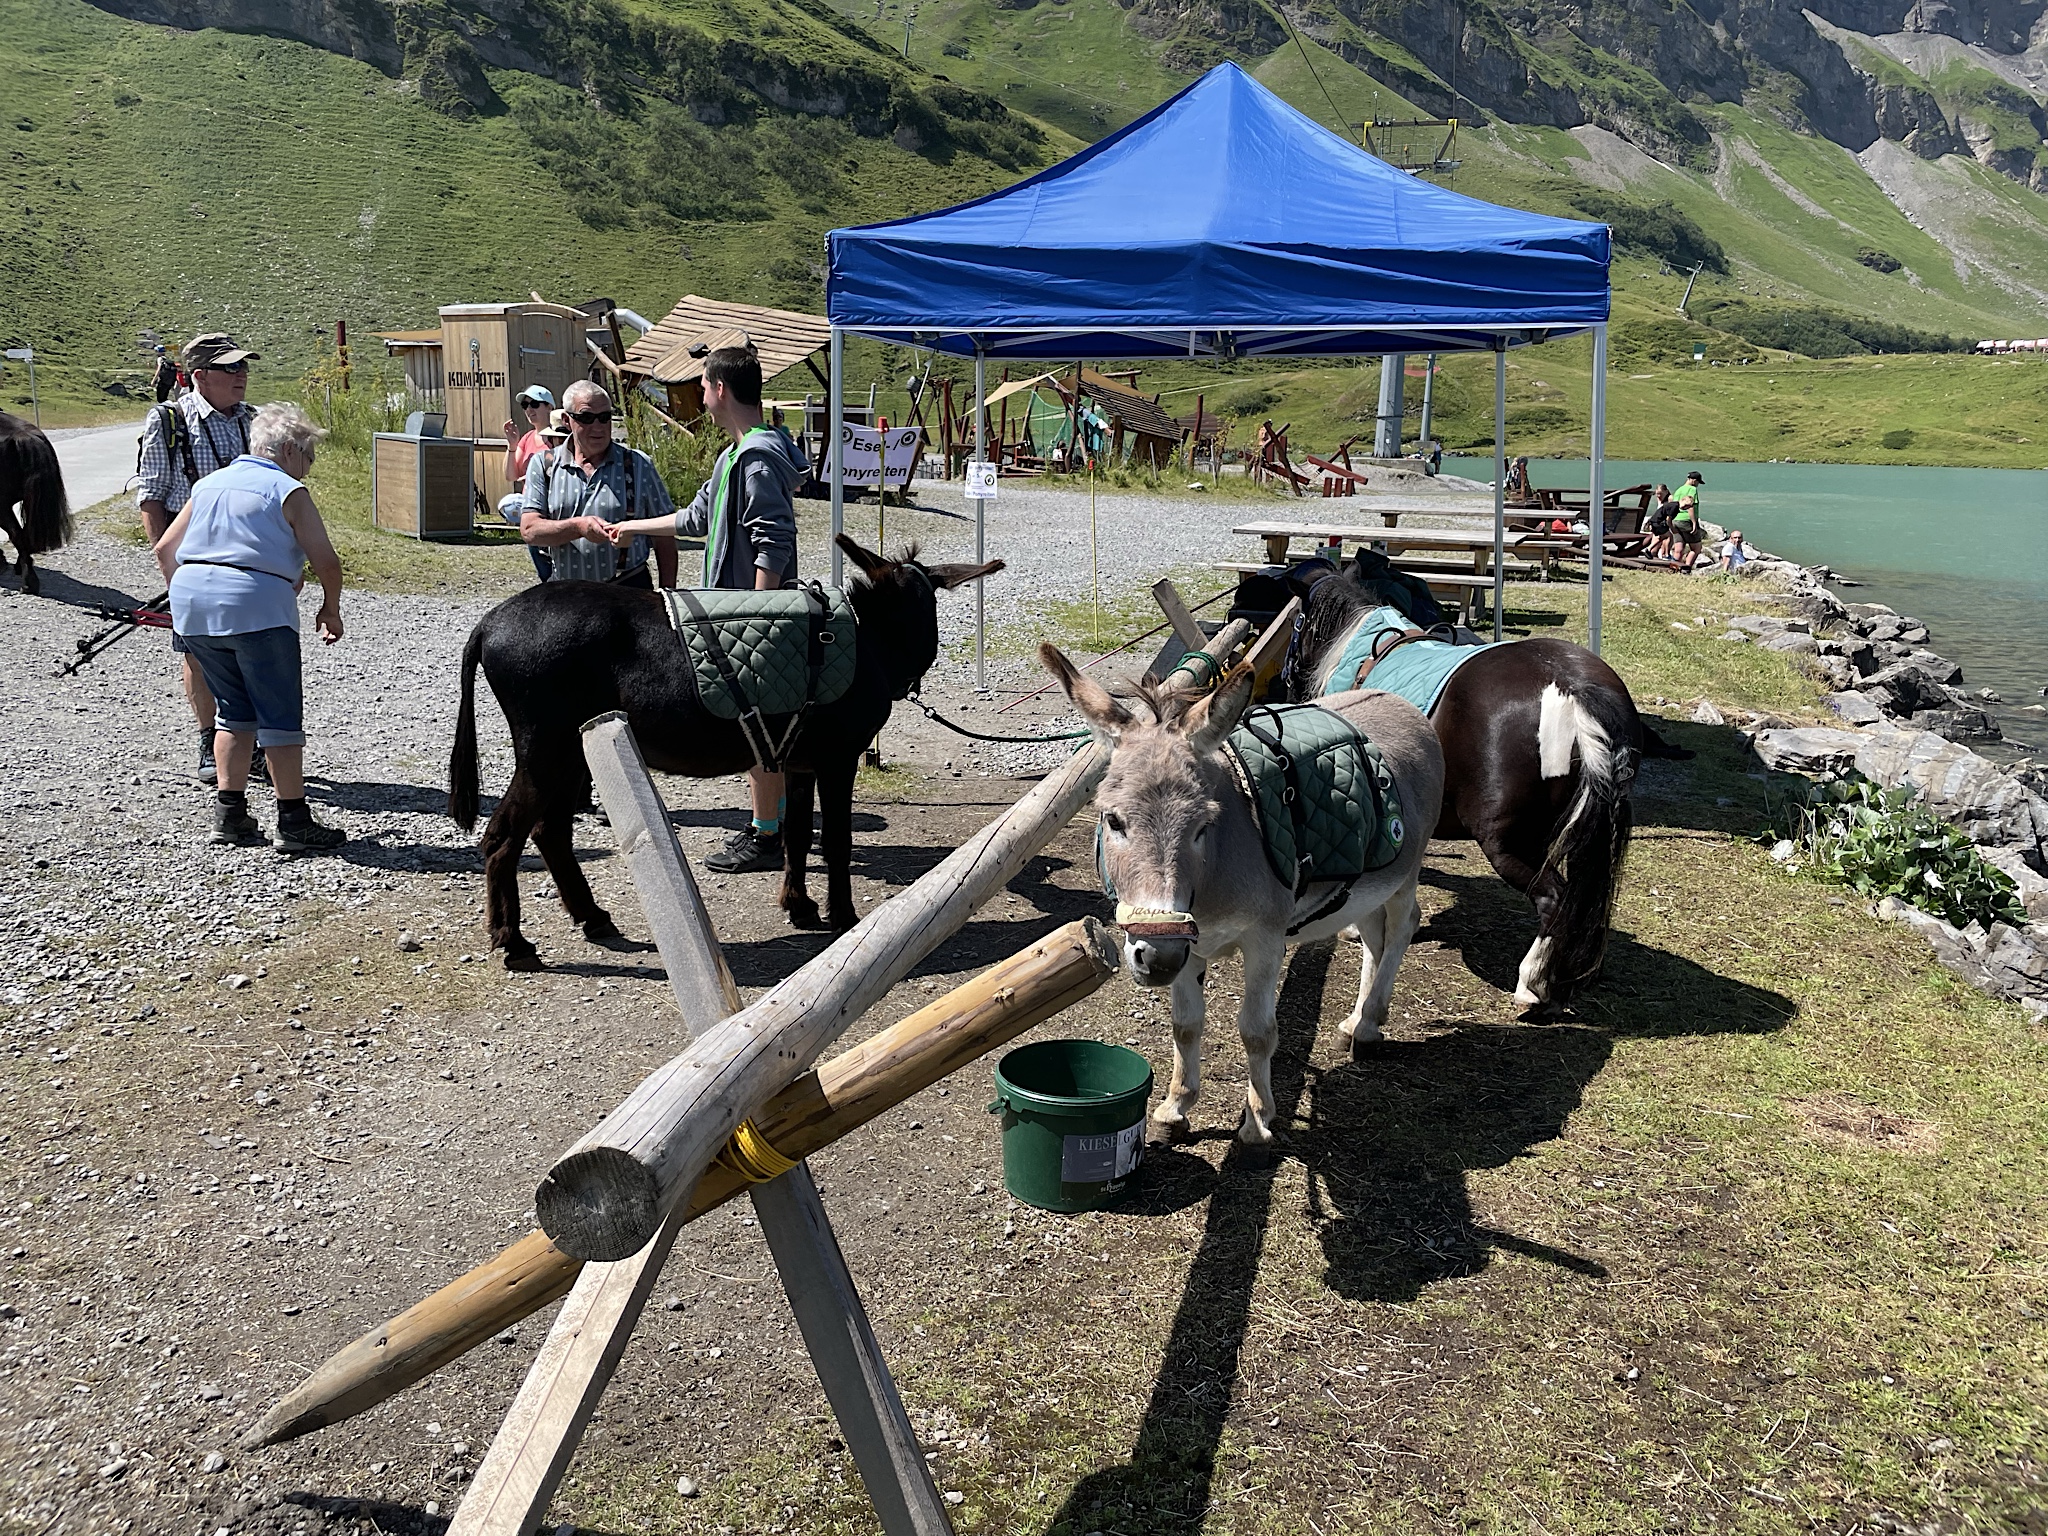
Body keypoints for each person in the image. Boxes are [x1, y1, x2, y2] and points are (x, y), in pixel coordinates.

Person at [604, 345, 807, 874]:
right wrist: (633, 527)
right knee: (755, 725)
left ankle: (768, 835)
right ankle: (776, 826)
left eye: (702, 385)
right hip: (737, 611)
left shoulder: (756, 458)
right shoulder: (735, 455)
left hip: (749, 615)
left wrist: (757, 613)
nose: (699, 394)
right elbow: (696, 518)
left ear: (719, 388)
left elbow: (773, 539)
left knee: (759, 726)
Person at [152, 403, 347, 852]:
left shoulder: (209, 483)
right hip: (256, 608)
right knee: (278, 715)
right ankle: (293, 820)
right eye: (309, 457)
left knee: (232, 712)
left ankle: (230, 815)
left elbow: (165, 550)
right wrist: (330, 608)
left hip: (194, 606)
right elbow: (326, 560)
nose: (309, 468)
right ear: (290, 450)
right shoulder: (287, 489)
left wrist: (192, 595)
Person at [137, 332, 262, 783]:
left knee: (255, 649)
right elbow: (152, 496)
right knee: (198, 654)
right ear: (199, 376)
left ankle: (251, 743)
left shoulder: (255, 420)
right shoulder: (170, 420)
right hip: (194, 559)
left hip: (251, 555)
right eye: (230, 368)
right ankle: (210, 739)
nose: (241, 375)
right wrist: (169, 569)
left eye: (243, 366)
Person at [520, 380, 678, 589]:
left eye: (604, 417)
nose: (598, 427)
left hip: (628, 591)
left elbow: (664, 537)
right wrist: (577, 527)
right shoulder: (544, 465)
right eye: (586, 418)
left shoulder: (638, 464)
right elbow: (529, 530)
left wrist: (667, 594)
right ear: (567, 420)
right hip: (567, 594)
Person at [500, 387, 562, 581]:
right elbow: (511, 475)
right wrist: (512, 446)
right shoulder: (527, 439)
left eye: (534, 404)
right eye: (525, 405)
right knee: (542, 566)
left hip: (553, 507)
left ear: (549, 407)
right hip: (532, 508)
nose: (529, 409)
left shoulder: (558, 438)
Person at [1671, 470, 1706, 569]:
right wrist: (1694, 523)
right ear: (1694, 480)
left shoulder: (1679, 490)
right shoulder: (1692, 489)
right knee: (1696, 548)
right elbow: (1690, 506)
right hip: (1686, 520)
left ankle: (1674, 568)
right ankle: (1686, 569)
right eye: (1698, 482)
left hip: (1675, 520)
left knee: (1678, 548)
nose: (1698, 485)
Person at [1646, 483, 1675, 561]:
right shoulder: (1660, 499)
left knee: (1664, 539)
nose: (1658, 496)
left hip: (1663, 523)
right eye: (1657, 494)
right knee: (1657, 544)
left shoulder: (1670, 498)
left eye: (1660, 494)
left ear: (1666, 491)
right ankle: (1662, 556)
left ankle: (1664, 555)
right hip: (1658, 523)